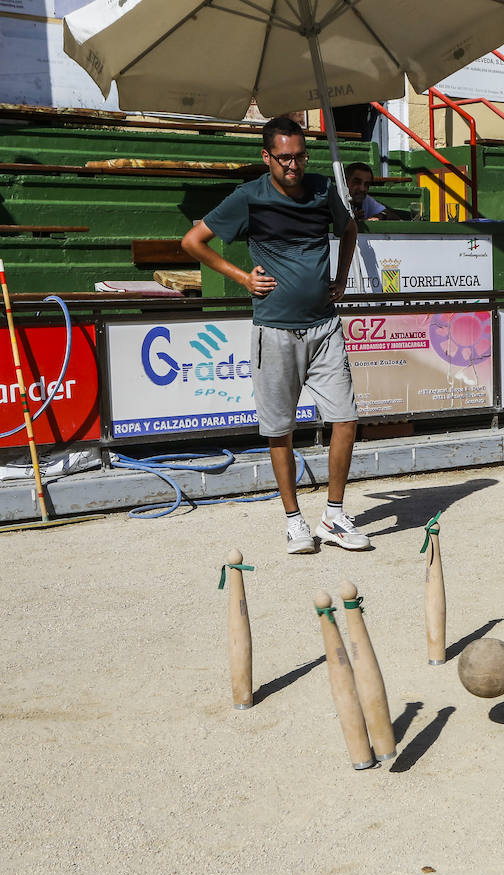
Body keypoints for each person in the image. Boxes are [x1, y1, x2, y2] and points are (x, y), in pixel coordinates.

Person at [181, 116, 371, 554]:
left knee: (345, 420)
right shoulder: (250, 196)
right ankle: (294, 522)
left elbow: (349, 229)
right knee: (280, 430)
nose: (293, 164)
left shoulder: (324, 190)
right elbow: (193, 242)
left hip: (325, 327)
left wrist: (341, 278)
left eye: (300, 155)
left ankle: (333, 516)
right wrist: (241, 277)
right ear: (266, 156)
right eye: (284, 157)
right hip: (275, 331)